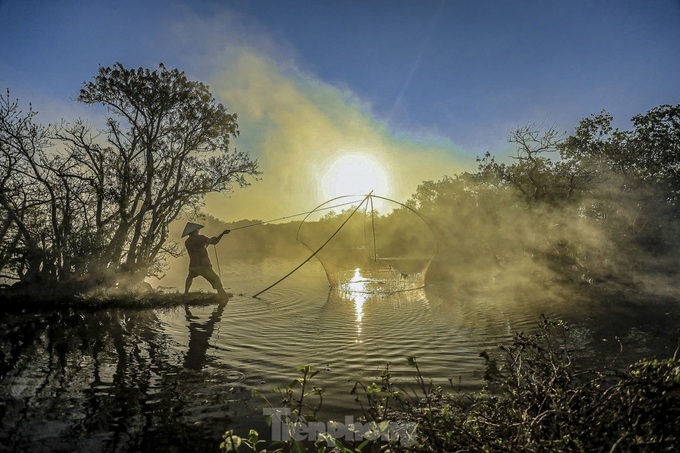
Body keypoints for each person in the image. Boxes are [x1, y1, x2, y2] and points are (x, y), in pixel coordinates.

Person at [182, 222, 230, 300]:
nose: (198, 231)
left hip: (193, 266)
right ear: (195, 231)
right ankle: (224, 298)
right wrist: (222, 234)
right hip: (204, 266)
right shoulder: (200, 238)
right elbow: (214, 242)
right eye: (197, 230)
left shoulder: (187, 242)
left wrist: (207, 242)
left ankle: (186, 293)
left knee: (190, 277)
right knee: (217, 281)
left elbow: (200, 248)